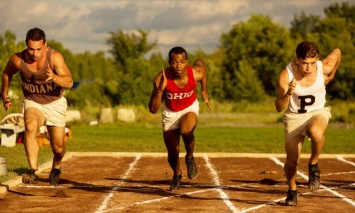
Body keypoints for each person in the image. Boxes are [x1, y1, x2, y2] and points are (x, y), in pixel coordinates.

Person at [1, 28, 73, 186]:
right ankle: (33, 170)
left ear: (45, 44)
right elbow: (6, 73)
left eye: (39, 49)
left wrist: (54, 77)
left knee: (58, 148)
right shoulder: (18, 59)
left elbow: (69, 82)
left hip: (55, 103)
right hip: (33, 102)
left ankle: (57, 165)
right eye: (31, 49)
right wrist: (4, 93)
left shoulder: (54, 57)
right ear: (26, 45)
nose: (35, 53)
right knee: (30, 127)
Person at [275, 41, 341, 205]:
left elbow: (337, 52)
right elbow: (278, 107)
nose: (308, 68)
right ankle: (292, 190)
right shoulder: (286, 74)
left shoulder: (323, 67)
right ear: (297, 59)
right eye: (304, 63)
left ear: (317, 60)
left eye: (312, 63)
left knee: (316, 131)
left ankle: (313, 163)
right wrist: (288, 94)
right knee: (292, 163)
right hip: (294, 117)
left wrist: (332, 74)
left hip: (317, 112)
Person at [148, 46, 211, 191]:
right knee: (172, 152)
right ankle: (177, 174)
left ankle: (189, 157)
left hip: (189, 107)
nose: (178, 66)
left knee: (186, 130)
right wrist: (160, 91)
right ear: (169, 62)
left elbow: (202, 64)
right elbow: (152, 109)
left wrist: (204, 89)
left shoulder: (195, 73)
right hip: (170, 113)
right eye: (175, 62)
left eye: (182, 62)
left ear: (186, 62)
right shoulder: (160, 79)